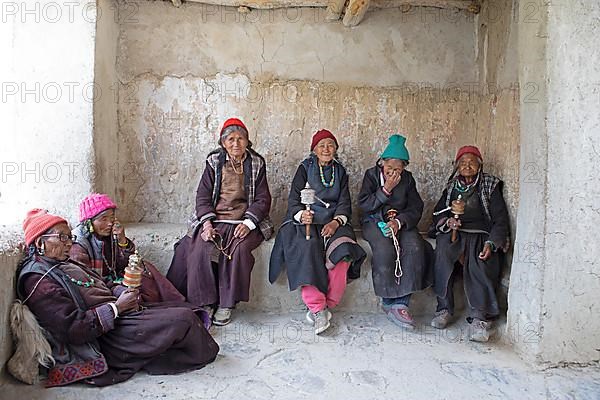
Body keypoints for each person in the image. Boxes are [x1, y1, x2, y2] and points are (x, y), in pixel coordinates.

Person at [16, 209, 219, 387]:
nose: (69, 243)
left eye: (70, 237)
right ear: (40, 242)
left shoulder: (63, 262)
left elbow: (100, 281)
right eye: (62, 238)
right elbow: (72, 329)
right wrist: (116, 309)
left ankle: (156, 347)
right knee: (183, 319)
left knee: (183, 309)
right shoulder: (38, 279)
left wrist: (120, 291)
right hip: (105, 336)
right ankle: (155, 356)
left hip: (117, 315)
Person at [167, 118, 273, 326]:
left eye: (240, 139)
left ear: (247, 141)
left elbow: (263, 199)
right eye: (231, 139)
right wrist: (206, 224)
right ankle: (205, 302)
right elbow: (203, 196)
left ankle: (227, 303)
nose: (236, 144)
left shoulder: (257, 163)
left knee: (239, 250)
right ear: (223, 143)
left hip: (244, 219)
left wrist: (249, 223)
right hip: (215, 219)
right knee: (200, 249)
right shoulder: (214, 162)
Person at [269, 129, 366, 335]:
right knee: (306, 248)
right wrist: (300, 216)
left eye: (331, 145)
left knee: (343, 251)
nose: (326, 149)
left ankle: (326, 304)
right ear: (314, 150)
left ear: (336, 149)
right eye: (321, 145)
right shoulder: (305, 168)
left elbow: (344, 203)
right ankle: (316, 307)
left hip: (333, 221)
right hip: (308, 220)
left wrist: (336, 222)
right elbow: (294, 200)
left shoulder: (340, 172)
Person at [429, 145, 510, 342]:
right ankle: (444, 309)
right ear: (457, 166)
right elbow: (438, 213)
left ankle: (480, 318)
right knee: (443, 253)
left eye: (471, 162)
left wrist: (492, 242)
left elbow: (500, 219)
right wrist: (448, 221)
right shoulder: (451, 187)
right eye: (463, 163)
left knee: (480, 260)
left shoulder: (489, 185)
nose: (467, 166)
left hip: (481, 233)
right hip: (455, 231)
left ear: (479, 165)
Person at [358, 134, 433, 329]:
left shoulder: (408, 180)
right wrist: (386, 190)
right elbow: (365, 205)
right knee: (384, 248)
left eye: (398, 169)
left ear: (404, 168)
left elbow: (416, 207)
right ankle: (388, 301)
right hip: (374, 221)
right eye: (389, 168)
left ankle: (402, 303)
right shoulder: (371, 175)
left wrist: (400, 222)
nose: (393, 173)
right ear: (382, 163)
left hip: (401, 223)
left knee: (415, 246)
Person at [71, 193, 185, 304]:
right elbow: (87, 282)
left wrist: (122, 240)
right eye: (103, 219)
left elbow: (123, 263)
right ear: (89, 222)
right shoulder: (79, 246)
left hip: (115, 277)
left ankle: (177, 302)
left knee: (145, 268)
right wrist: (117, 287)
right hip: (101, 286)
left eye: (112, 218)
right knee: (137, 291)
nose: (110, 223)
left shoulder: (108, 235)